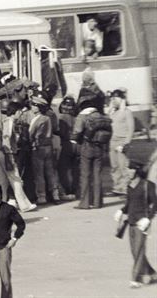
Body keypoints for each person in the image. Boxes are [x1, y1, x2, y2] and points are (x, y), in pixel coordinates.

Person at [115, 156, 157, 288]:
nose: (128, 172)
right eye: (127, 169)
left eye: (131, 169)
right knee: (135, 252)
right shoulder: (130, 186)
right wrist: (121, 211)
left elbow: (155, 204)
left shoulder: (147, 185)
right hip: (131, 222)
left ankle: (135, 279)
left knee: (138, 251)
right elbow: (128, 204)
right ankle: (151, 273)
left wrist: (148, 218)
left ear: (136, 171)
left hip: (142, 223)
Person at [71, 89, 111, 209]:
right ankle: (98, 202)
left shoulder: (82, 116)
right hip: (99, 147)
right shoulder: (100, 115)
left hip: (86, 147)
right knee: (97, 175)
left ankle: (85, 203)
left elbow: (76, 133)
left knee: (85, 175)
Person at [0, 99, 36, 212]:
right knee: (16, 180)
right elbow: (6, 139)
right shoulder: (9, 123)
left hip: (3, 154)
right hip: (8, 154)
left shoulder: (6, 121)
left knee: (4, 181)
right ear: (15, 112)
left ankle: (5, 203)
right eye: (19, 112)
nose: (20, 114)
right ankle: (24, 205)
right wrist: (9, 155)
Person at [28, 96, 60, 205]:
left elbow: (31, 134)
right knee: (51, 172)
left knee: (39, 174)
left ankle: (42, 196)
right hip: (48, 147)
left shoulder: (37, 120)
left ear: (38, 107)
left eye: (33, 105)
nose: (31, 107)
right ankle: (55, 194)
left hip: (38, 148)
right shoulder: (47, 118)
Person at [109, 88, 134, 196]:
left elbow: (131, 128)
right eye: (112, 99)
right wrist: (110, 110)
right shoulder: (113, 112)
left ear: (121, 99)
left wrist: (126, 143)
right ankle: (117, 187)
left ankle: (125, 188)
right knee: (114, 166)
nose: (114, 100)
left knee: (123, 166)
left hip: (122, 142)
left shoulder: (127, 112)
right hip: (112, 142)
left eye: (115, 98)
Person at [57, 96, 79, 198]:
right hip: (77, 144)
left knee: (64, 169)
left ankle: (68, 190)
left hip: (67, 144)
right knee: (75, 169)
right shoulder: (77, 117)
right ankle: (75, 190)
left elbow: (62, 132)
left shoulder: (62, 117)